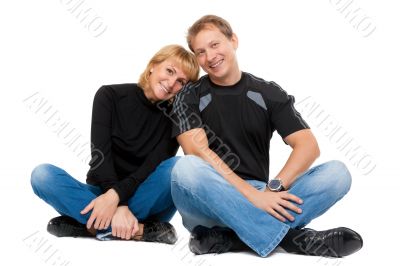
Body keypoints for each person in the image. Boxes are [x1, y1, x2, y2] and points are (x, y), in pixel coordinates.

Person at [170, 15, 363, 257]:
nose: (209, 57)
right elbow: (196, 150)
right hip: (209, 200)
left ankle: (232, 239)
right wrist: (253, 196)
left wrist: (272, 189)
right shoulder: (188, 94)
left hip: (264, 195)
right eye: (200, 52)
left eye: (215, 44)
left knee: (337, 173)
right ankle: (293, 239)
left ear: (233, 41)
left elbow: (308, 146)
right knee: (186, 168)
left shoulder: (267, 92)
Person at [31, 44, 199, 243]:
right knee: (42, 175)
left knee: (178, 167)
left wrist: (119, 200)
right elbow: (100, 157)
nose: (171, 83)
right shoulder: (109, 96)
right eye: (169, 71)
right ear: (153, 65)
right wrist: (114, 201)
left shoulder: (176, 118)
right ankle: (140, 231)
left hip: (145, 199)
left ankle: (91, 227)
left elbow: (150, 169)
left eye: (181, 81)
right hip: (101, 194)